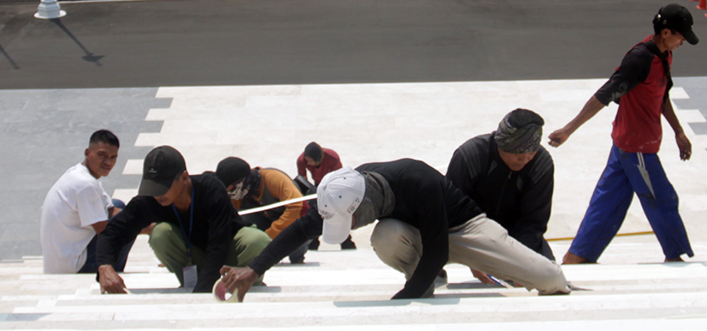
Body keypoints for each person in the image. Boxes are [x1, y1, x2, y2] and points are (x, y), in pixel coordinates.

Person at [218, 160, 570, 301]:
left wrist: (405, 298)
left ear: (364, 207)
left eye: (350, 221)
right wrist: (254, 269)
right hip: (416, 233)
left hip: (462, 229)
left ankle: (424, 280)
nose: (349, 227)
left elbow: (438, 250)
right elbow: (298, 231)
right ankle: (426, 279)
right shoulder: (343, 191)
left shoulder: (418, 182)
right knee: (384, 235)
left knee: (549, 279)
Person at [549, 3, 699, 265]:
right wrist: (568, 130)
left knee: (608, 202)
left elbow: (661, 96)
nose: (682, 41)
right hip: (636, 146)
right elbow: (605, 95)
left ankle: (579, 255)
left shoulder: (664, 55)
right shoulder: (640, 60)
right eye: (680, 36)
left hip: (628, 144)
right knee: (662, 197)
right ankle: (675, 255)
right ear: (665, 32)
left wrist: (679, 131)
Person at [95, 146, 271, 294]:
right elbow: (113, 232)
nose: (156, 194)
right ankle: (190, 284)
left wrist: (200, 294)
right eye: (152, 187)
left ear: (185, 178)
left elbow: (219, 245)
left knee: (257, 240)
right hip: (192, 257)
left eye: (162, 187)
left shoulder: (211, 190)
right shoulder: (151, 199)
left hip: (227, 252)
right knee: (160, 234)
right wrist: (105, 266)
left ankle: (247, 284)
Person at [447, 108, 556, 281]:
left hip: (513, 233)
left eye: (531, 154)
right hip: (470, 230)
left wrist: (519, 264)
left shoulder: (540, 164)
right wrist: (475, 257)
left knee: (549, 276)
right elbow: (451, 211)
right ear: (502, 144)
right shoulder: (470, 156)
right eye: (518, 154)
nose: (525, 160)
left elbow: (534, 222)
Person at [40, 130, 131, 274]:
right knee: (123, 230)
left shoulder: (81, 173)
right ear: (88, 152)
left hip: (65, 256)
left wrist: (147, 218)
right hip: (72, 266)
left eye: (113, 158)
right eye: (102, 155)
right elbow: (105, 230)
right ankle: (111, 274)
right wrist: (149, 228)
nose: (108, 162)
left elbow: (111, 210)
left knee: (119, 206)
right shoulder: (85, 184)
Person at [215, 157, 311, 264]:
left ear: (243, 181)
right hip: (266, 221)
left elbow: (298, 207)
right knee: (243, 217)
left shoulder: (274, 178)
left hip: (290, 225)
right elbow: (234, 217)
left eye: (232, 190)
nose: (232, 194)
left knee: (297, 245)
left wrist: (268, 237)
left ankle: (297, 256)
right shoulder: (241, 193)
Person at [295, 142, 356, 250]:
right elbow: (302, 180)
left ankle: (345, 241)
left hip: (333, 184)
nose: (308, 163)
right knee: (315, 211)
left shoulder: (332, 158)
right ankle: (313, 242)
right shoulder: (301, 160)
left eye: (311, 161)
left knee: (335, 212)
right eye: (307, 161)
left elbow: (339, 178)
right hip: (317, 186)